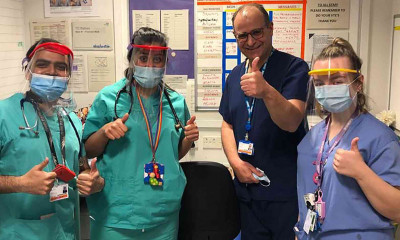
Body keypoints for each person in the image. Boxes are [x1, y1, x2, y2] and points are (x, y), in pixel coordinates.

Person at [77, 27, 199, 240]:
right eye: (143, 58)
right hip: (116, 213)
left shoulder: (176, 102)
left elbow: (174, 154)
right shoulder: (109, 98)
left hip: (163, 211)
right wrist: (105, 132)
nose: (150, 65)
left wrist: (188, 139)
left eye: (158, 59)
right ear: (131, 59)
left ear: (165, 63)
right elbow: (88, 149)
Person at [219, 3, 309, 240]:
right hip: (246, 194)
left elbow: (292, 121)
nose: (250, 41)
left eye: (256, 32)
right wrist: (235, 162)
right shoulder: (235, 75)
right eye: (242, 36)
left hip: (283, 194)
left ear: (270, 28)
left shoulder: (295, 68)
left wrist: (266, 91)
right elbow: (227, 124)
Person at [295, 37, 400, 240]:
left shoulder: (380, 138)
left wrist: (361, 173)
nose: (327, 88)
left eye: (337, 81)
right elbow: (306, 194)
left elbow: (397, 211)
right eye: (319, 83)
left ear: (358, 83)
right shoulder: (310, 140)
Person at [0, 38, 82, 239]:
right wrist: (20, 183)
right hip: (19, 231)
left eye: (61, 67)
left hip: (64, 229)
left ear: (68, 76)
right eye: (42, 64)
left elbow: (79, 170)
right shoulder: (3, 114)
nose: (52, 72)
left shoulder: (72, 120)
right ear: (28, 70)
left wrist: (91, 181)